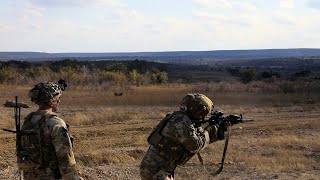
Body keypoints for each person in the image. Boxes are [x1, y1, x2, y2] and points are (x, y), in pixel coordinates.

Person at [140, 93, 228, 180]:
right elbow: (195, 145)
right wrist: (209, 130)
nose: (203, 117)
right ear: (195, 109)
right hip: (156, 172)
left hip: (159, 170)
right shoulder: (181, 120)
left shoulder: (182, 118)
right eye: (202, 113)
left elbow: (200, 139)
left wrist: (219, 130)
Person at [18, 82, 80, 179]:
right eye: (57, 98)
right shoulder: (55, 123)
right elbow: (66, 160)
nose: (59, 100)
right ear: (52, 100)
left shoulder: (29, 121)